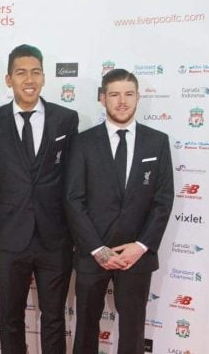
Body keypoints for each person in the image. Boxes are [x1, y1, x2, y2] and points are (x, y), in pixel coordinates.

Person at [0, 44, 78, 354]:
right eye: (21, 72)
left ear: (44, 77)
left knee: (53, 319)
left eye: (35, 72)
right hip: (10, 237)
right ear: (9, 79)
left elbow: (74, 184)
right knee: (10, 317)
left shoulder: (66, 119)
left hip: (55, 238)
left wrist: (75, 233)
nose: (29, 79)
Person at [64, 69, 174, 354]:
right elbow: (73, 199)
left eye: (128, 94)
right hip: (92, 254)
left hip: (136, 257)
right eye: (114, 94)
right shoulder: (83, 142)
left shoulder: (157, 142)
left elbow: (163, 200)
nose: (122, 101)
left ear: (138, 97)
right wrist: (97, 248)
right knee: (86, 328)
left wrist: (140, 246)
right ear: (103, 98)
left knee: (133, 331)